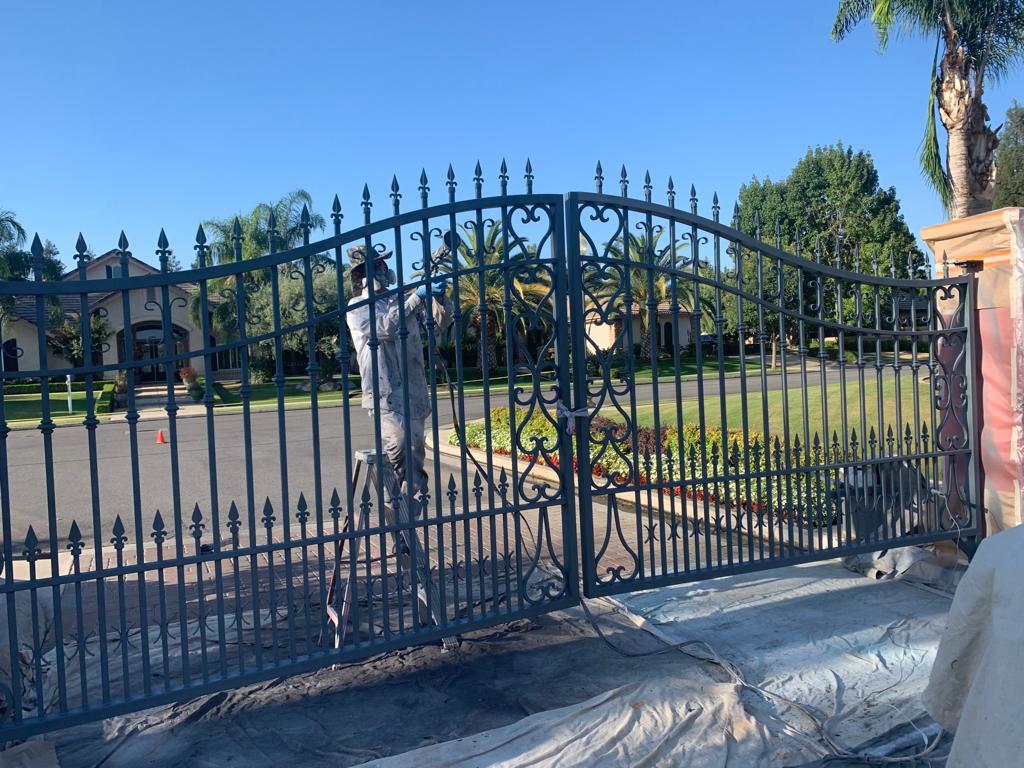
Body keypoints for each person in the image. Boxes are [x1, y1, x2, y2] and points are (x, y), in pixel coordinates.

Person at [345, 244, 453, 515]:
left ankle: (408, 516)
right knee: (400, 442)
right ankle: (395, 507)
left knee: (416, 449)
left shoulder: (402, 299)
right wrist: (417, 296)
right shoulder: (358, 307)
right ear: (361, 275)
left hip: (415, 388)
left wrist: (440, 298)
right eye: (375, 266)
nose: (382, 269)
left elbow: (438, 324)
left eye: (382, 264)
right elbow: (386, 327)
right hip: (385, 392)